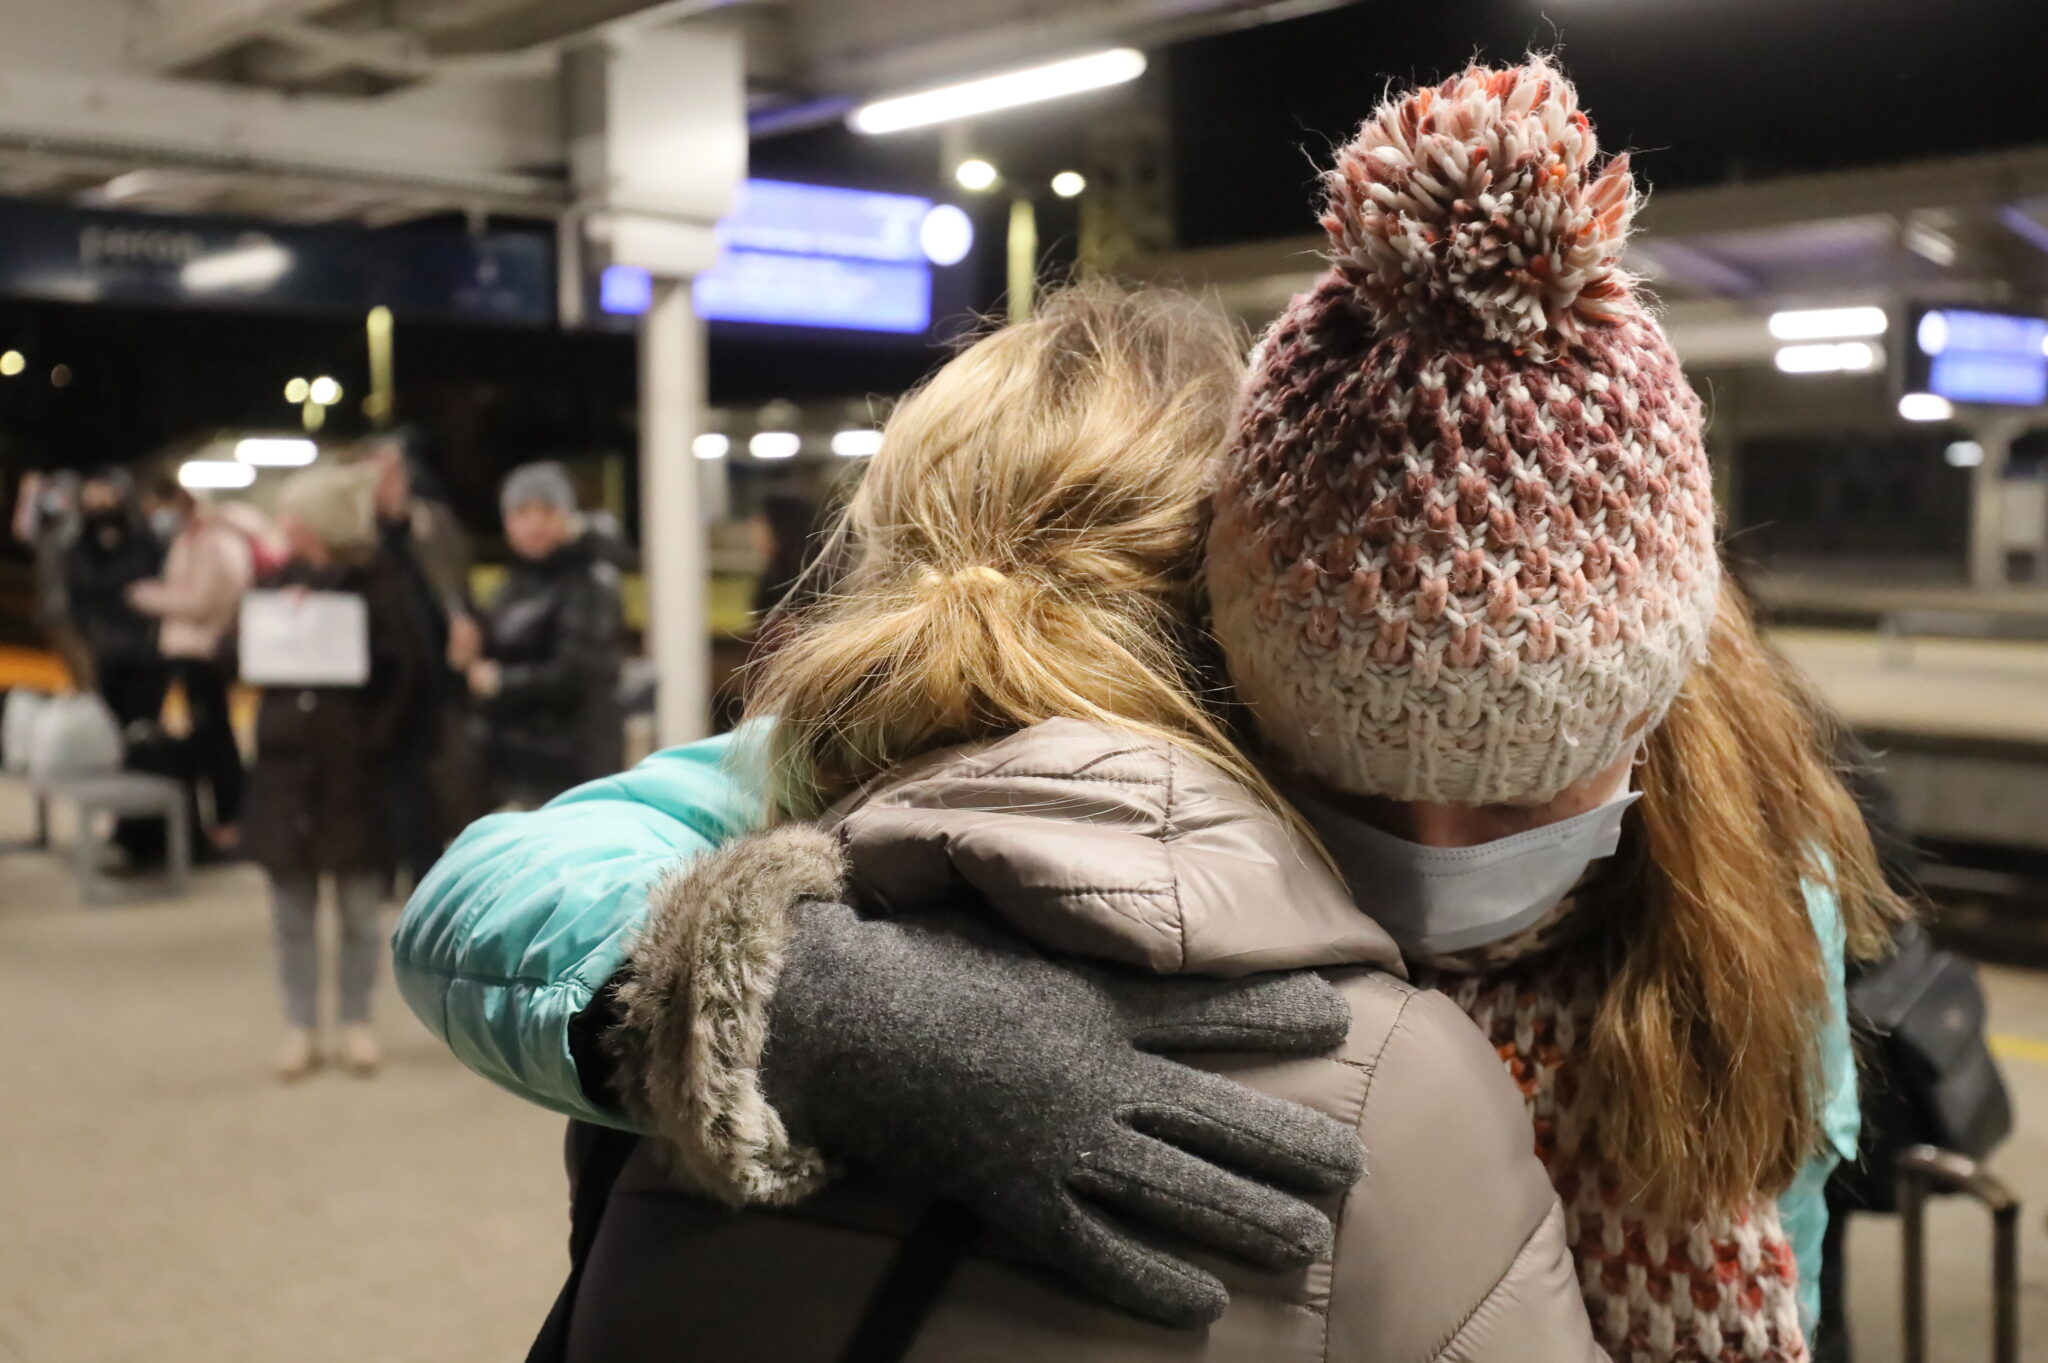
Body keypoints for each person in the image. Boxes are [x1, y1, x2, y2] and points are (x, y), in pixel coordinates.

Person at [400, 285, 1602, 1360]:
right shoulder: (1391, 1065)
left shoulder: (817, 794)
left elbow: (471, 900)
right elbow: (491, 888)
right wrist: (807, 1004)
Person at [1198, 60, 1907, 1358]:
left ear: (1644, 714)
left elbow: (1791, 1263)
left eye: (1523, 792)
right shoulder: (1160, 791)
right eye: (1349, 789)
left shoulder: (1752, 922)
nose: (1434, 851)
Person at [245, 464, 428, 1081]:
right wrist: (275, 624)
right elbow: (233, 653)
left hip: (354, 777)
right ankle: (299, 1026)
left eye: (295, 513)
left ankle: (357, 1021)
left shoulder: (380, 584)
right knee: (290, 911)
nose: (285, 523)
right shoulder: (276, 581)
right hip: (286, 776)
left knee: (356, 910)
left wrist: (371, 740)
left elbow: (407, 674)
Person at [453, 462, 623, 809]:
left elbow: (578, 672)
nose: (534, 524)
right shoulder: (511, 585)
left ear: (567, 516)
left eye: (546, 510)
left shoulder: (589, 582)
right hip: (514, 765)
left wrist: (499, 682)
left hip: (570, 767)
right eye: (521, 512)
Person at [367, 435, 474, 880]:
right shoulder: (361, 542)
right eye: (376, 475)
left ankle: (429, 876)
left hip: (439, 685)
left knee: (438, 793)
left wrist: (466, 624)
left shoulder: (434, 527)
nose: (388, 484)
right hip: (388, 692)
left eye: (394, 473)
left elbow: (458, 591)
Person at [126, 485, 254, 850]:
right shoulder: (190, 539)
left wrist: (150, 598)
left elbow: (203, 598)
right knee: (203, 736)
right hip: (186, 649)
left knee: (216, 737)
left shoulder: (216, 542)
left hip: (205, 652)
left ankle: (230, 818)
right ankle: (214, 819)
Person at [63, 470, 165, 729]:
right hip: (102, 644)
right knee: (104, 716)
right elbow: (77, 592)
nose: (100, 506)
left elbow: (154, 581)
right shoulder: (81, 543)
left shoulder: (143, 539)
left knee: (140, 718)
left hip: (142, 646)